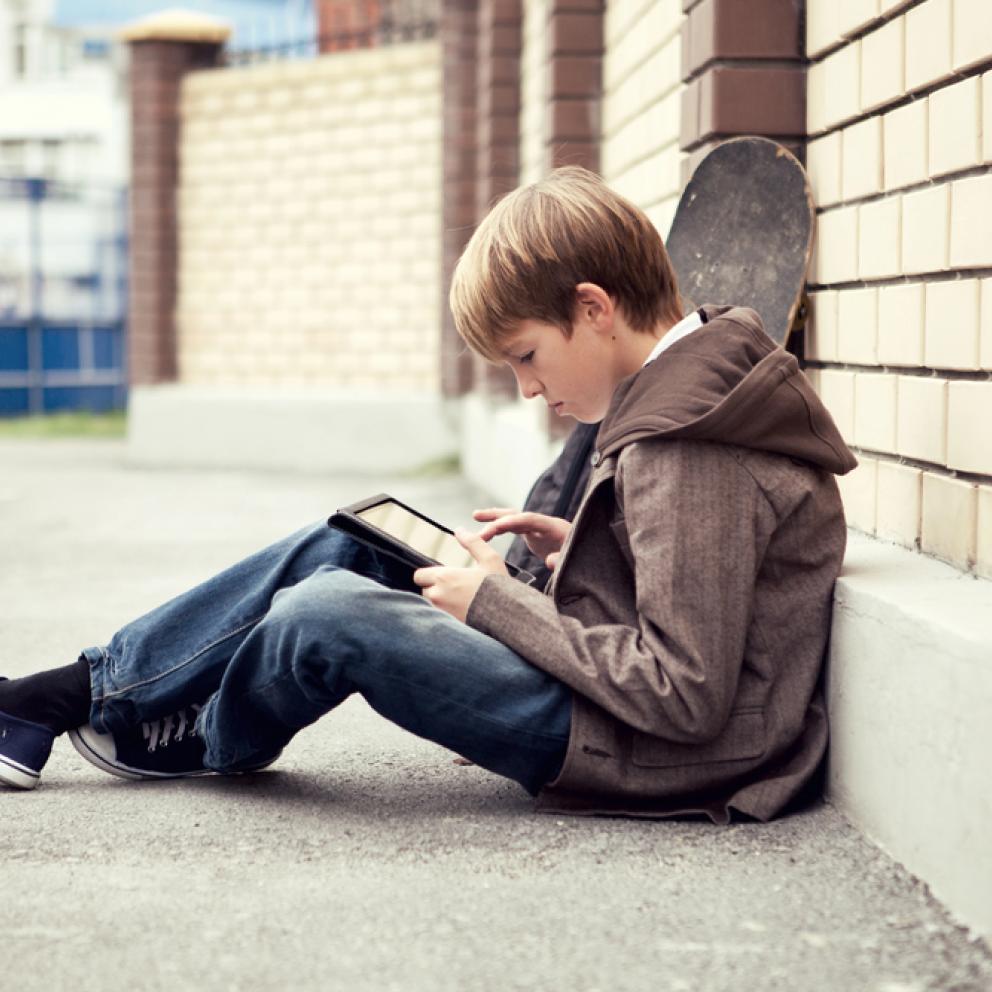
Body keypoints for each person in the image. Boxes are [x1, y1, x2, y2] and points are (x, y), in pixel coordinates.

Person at [0, 166, 856, 821]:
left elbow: (685, 694)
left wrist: (495, 605)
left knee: (328, 613)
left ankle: (207, 732)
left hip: (646, 750)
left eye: (526, 355)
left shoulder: (686, 443)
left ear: (594, 309)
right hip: (617, 707)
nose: (527, 390)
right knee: (353, 542)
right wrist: (589, 543)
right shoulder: (689, 388)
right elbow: (690, 584)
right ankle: (78, 691)